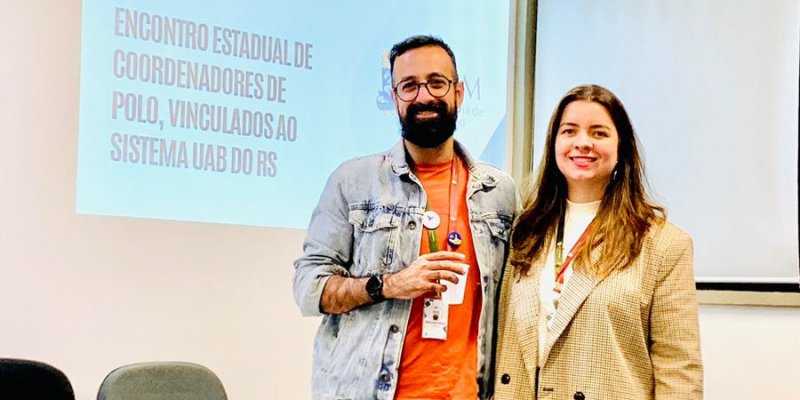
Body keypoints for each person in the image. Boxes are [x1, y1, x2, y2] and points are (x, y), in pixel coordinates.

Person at [293, 35, 517, 400]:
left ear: (459, 92)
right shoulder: (353, 181)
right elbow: (308, 288)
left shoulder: (499, 192)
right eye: (409, 86)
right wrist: (389, 285)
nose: (423, 96)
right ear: (394, 98)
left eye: (436, 83)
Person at [492, 84, 703, 400]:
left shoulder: (662, 244)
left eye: (599, 133)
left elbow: (679, 371)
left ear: (621, 148)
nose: (582, 143)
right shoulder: (525, 231)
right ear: (554, 143)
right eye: (569, 131)